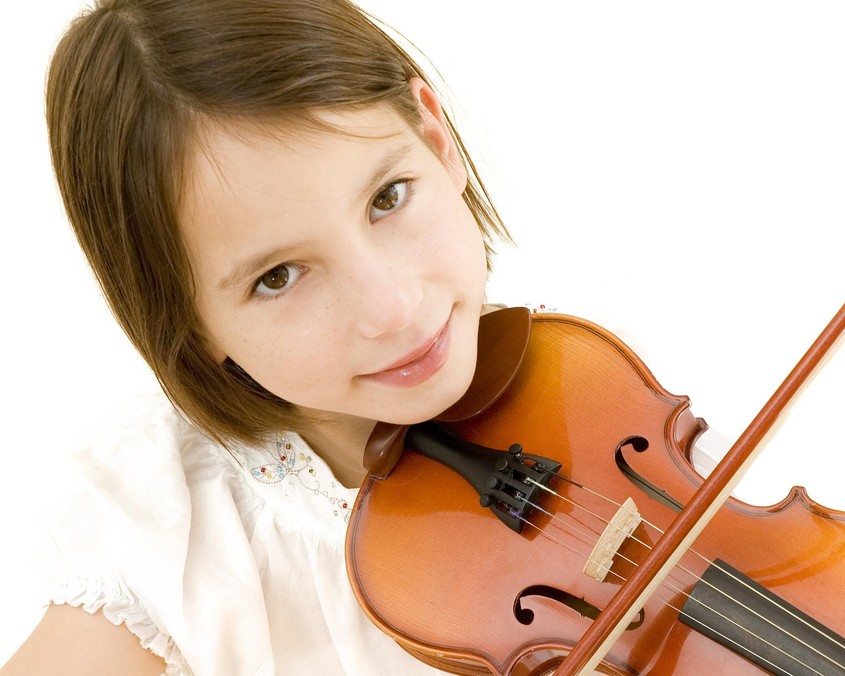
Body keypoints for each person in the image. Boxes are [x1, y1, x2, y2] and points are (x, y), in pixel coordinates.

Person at [2, 0, 508, 672]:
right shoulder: (178, 545)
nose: (391, 308)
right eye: (278, 277)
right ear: (181, 319)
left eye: (386, 197)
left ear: (437, 143)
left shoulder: (602, 400)